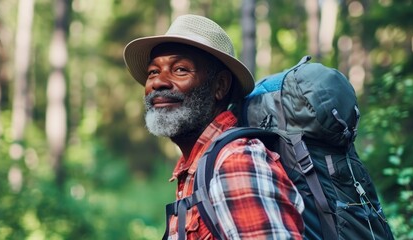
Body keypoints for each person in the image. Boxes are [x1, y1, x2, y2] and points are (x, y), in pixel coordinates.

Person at [123, 14, 304, 239]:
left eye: (180, 69)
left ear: (220, 85)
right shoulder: (198, 166)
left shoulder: (236, 162)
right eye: (153, 72)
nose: (158, 82)